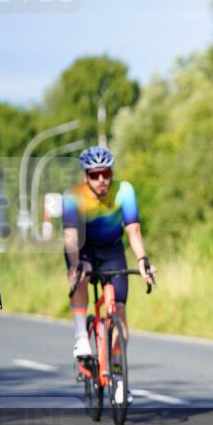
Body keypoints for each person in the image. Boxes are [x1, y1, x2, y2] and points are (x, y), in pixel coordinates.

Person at [63, 146, 155, 405]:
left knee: (120, 314)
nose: (102, 179)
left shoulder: (124, 191)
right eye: (95, 174)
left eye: (106, 173)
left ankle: (119, 379)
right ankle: (81, 336)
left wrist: (143, 261)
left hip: (113, 250)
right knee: (80, 275)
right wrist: (74, 264)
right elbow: (70, 237)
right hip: (82, 248)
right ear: (86, 176)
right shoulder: (73, 196)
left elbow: (133, 230)